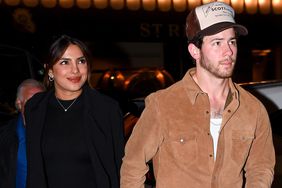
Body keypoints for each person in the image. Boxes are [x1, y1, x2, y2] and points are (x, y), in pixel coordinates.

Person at [120, 2, 275, 188]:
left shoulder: (253, 109)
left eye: (232, 41)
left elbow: (261, 168)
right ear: (195, 51)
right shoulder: (163, 104)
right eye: (217, 42)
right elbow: (132, 166)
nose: (228, 51)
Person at [24, 35, 124, 188]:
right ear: (50, 70)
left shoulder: (106, 109)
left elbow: (119, 166)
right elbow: (33, 167)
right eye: (65, 62)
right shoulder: (35, 107)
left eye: (81, 61)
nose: (75, 70)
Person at [0, 79, 45, 188]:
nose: (37, 106)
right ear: (19, 104)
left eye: (41, 101)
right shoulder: (5, 135)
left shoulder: (54, 131)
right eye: (31, 101)